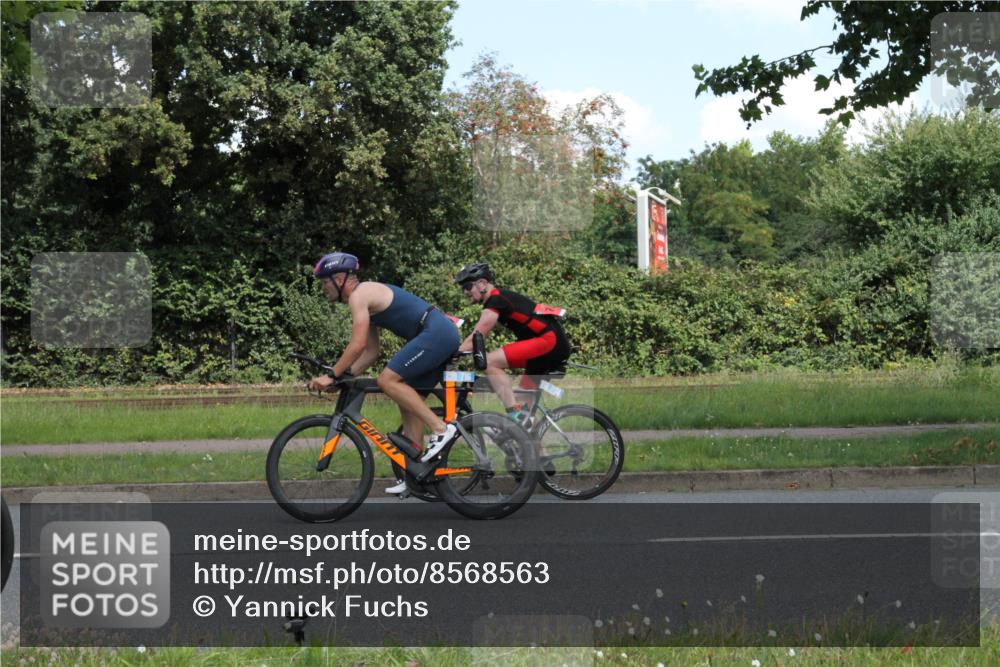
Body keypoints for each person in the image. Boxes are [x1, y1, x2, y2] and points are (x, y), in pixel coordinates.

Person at [307, 252, 461, 493]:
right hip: (434, 333)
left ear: (340, 278)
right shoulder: (365, 297)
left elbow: (356, 345)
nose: (323, 288)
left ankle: (441, 429)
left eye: (325, 282)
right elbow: (370, 352)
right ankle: (417, 473)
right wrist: (345, 376)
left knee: (387, 380)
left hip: (437, 332)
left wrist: (332, 375)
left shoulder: (359, 296)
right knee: (409, 401)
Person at [455, 262, 570, 423]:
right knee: (525, 415)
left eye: (467, 286)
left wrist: (453, 353)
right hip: (549, 345)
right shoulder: (498, 298)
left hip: (549, 341)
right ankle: (527, 435)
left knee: (489, 363)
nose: (465, 291)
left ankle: (514, 417)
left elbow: (477, 337)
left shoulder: (495, 299)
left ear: (482, 283)